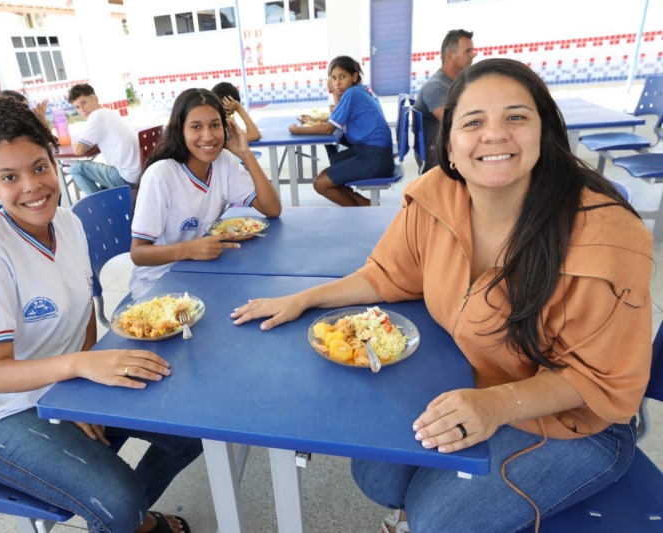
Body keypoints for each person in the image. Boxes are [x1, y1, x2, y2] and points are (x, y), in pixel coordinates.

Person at [230, 58, 652, 533]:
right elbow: (388, 275)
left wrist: (497, 406)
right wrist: (306, 298)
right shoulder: (437, 196)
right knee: (376, 476)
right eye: (473, 122)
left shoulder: (606, 236)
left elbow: (603, 381)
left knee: (435, 520)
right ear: (449, 144)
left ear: (544, 132)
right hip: (473, 378)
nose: (495, 135)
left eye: (516, 117)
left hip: (577, 421)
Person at [0, 96, 201, 533]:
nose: (32, 186)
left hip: (63, 383)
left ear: (55, 160)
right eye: (9, 177)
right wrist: (78, 369)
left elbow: (83, 312)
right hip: (0, 414)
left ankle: (126, 519)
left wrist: (75, 393)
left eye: (39, 167)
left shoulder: (67, 222)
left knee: (189, 433)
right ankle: (133, 520)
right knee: (119, 501)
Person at [130, 88, 282, 298]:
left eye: (215, 125)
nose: (208, 136)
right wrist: (188, 249)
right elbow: (138, 253)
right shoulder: (160, 175)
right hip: (159, 282)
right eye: (196, 127)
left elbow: (272, 209)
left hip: (203, 270)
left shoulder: (224, 161)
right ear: (180, 131)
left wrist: (245, 153)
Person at [288, 56, 394, 207]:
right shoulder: (361, 90)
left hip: (374, 158)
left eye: (342, 77)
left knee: (320, 184)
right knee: (333, 164)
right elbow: (337, 117)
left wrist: (296, 130)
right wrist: (334, 93)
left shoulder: (352, 93)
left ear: (354, 76)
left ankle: (362, 211)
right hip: (377, 154)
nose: (337, 82)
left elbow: (329, 128)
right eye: (333, 78)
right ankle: (367, 205)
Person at [414, 29, 476, 171]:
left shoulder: (454, 84)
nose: (473, 55)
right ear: (450, 56)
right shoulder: (436, 87)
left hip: (447, 147)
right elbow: (452, 122)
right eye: (468, 51)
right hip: (437, 154)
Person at [67, 83, 142, 194]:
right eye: (77, 107)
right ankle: (106, 201)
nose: (82, 109)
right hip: (138, 174)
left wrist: (79, 144)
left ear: (95, 98)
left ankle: (97, 204)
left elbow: (79, 150)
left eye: (84, 103)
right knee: (103, 186)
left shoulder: (97, 115)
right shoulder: (108, 112)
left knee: (76, 168)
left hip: (126, 177)